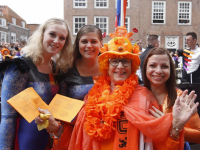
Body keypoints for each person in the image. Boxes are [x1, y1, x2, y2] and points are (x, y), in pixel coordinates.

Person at [36, 27, 198, 150]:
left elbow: (160, 144)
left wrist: (175, 127)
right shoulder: (91, 97)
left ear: (132, 65)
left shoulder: (146, 97)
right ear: (107, 65)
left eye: (125, 61)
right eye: (114, 61)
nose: (120, 67)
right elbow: (77, 140)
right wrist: (55, 129)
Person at [0, 18, 73, 150]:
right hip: (26, 139)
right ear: (42, 34)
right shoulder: (21, 66)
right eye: (52, 34)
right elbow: (7, 116)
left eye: (62, 38)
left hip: (51, 140)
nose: (56, 41)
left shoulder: (57, 68)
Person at [52, 24, 103, 149]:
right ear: (78, 44)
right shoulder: (66, 69)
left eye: (94, 41)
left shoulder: (112, 67)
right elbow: (61, 108)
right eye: (84, 41)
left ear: (101, 43)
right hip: (74, 134)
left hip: (105, 133)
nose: (89, 46)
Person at [142, 47, 200, 144]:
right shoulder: (135, 96)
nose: (158, 71)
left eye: (164, 66)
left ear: (171, 69)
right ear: (145, 68)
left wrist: (173, 126)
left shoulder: (181, 98)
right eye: (153, 65)